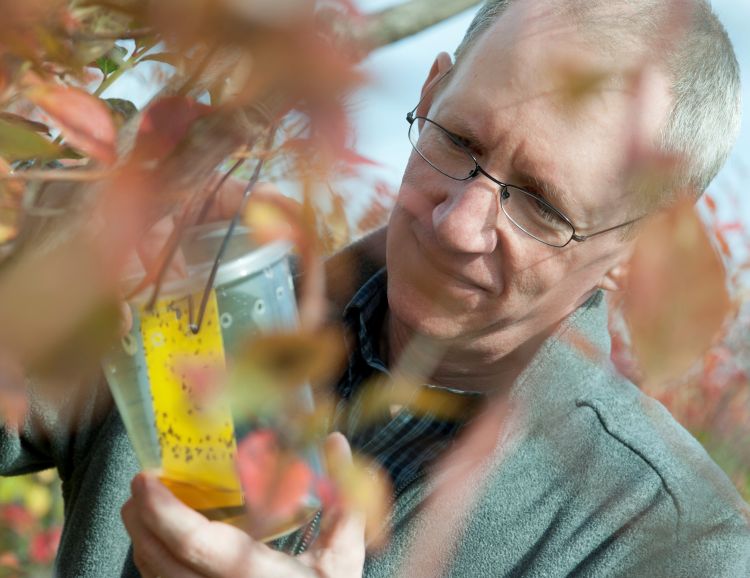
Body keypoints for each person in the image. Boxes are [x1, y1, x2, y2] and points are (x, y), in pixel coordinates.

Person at [3, 0, 749, 576]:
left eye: (543, 205)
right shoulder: (193, 299)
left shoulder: (670, 540)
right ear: (431, 90)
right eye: (459, 141)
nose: (460, 223)